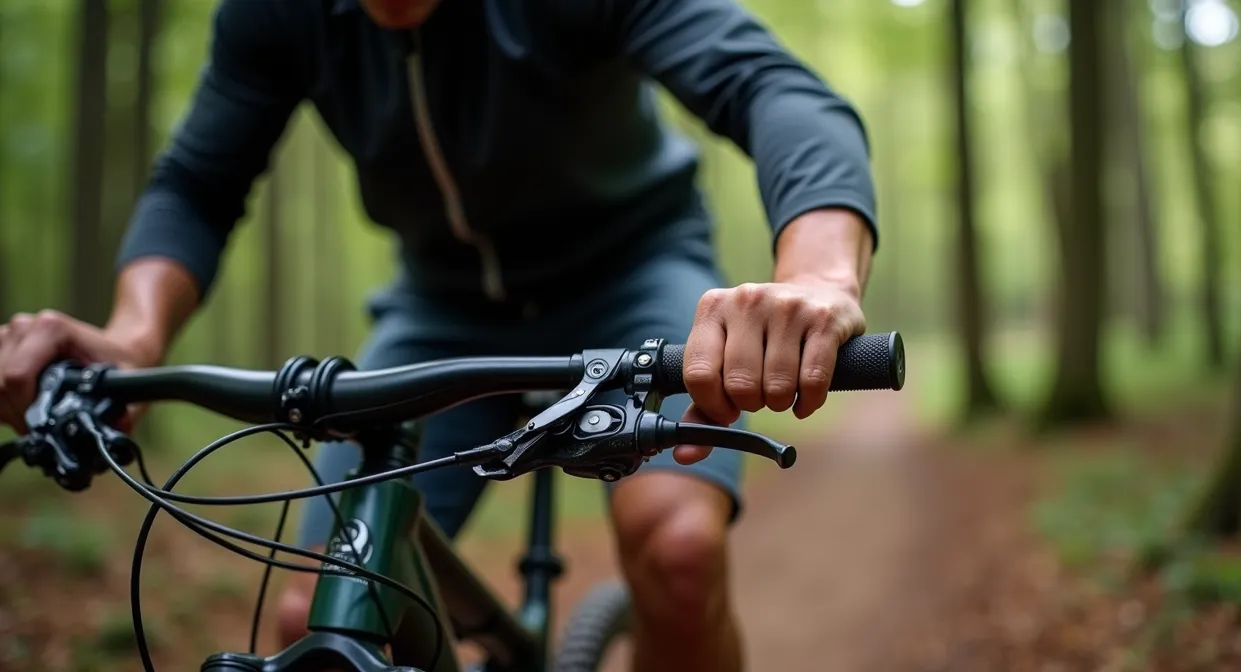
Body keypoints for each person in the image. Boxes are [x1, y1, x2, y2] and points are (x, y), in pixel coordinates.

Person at [0, 0, 877, 669]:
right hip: (443, 307)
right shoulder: (275, 15)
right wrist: (133, 337)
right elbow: (198, 181)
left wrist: (816, 276)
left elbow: (771, 88)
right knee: (317, 612)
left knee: (677, 547)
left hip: (633, 270)